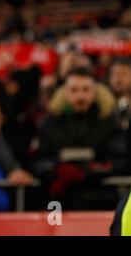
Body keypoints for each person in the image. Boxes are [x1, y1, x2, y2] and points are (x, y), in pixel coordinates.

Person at [32, 67, 127, 210]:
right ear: (64, 92)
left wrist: (88, 172)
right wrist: (56, 170)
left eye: (86, 89)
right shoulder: (49, 122)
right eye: (74, 90)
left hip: (100, 200)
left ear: (96, 91)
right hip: (57, 203)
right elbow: (37, 161)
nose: (80, 96)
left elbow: (120, 161)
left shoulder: (109, 121)